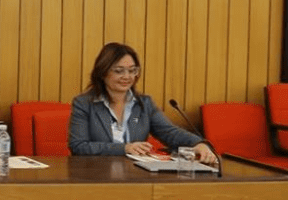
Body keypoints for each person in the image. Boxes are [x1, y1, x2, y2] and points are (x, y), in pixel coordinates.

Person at [68, 42, 217, 162]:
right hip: (95, 174)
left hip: (135, 175)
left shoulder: (144, 104)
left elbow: (170, 132)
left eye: (132, 70)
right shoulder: (84, 103)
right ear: (102, 72)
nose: (127, 76)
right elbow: (78, 146)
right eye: (119, 71)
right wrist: (125, 148)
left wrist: (199, 144)